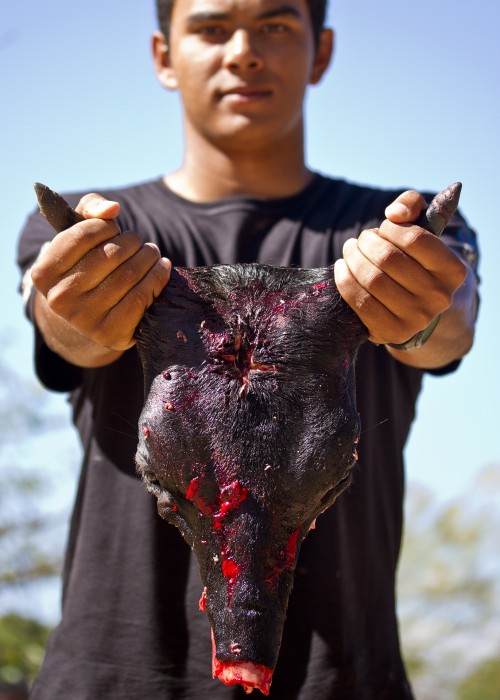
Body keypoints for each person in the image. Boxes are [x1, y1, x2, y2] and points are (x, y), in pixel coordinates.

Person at [17, 0, 479, 697]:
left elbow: (449, 323)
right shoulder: (83, 239)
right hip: (111, 679)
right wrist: (79, 315)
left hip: (343, 683)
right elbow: (63, 328)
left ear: (320, 52)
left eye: (275, 25)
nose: (242, 52)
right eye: (209, 28)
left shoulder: (405, 241)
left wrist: (419, 311)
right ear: (163, 56)